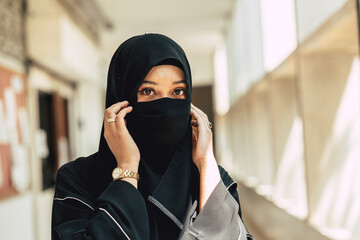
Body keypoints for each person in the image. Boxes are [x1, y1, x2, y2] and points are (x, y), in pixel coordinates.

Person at [51, 33, 253, 240]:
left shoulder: (210, 178)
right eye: (148, 91)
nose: (165, 105)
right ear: (121, 99)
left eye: (177, 92)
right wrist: (127, 168)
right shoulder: (79, 179)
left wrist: (206, 162)